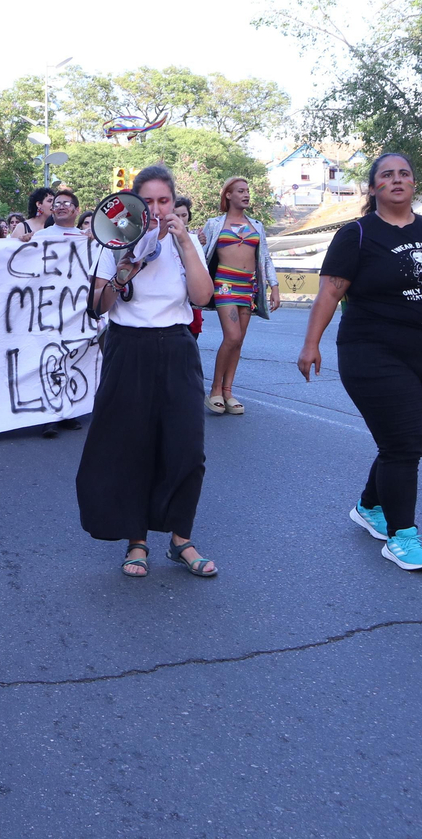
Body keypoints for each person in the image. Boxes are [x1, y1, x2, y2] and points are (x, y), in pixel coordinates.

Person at [296, 152, 422, 573]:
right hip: (374, 353)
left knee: (414, 444)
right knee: (402, 446)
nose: (397, 180)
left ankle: (369, 505)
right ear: (374, 187)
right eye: (387, 175)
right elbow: (330, 291)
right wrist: (312, 344)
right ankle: (402, 537)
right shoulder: (357, 234)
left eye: (404, 174)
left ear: (414, 184)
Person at [75, 165, 217, 579]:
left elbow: (202, 296)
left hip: (176, 347)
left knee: (187, 447)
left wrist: (184, 242)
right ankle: (136, 540)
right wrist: (128, 266)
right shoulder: (115, 242)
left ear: (175, 203)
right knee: (130, 446)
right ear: (136, 204)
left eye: (164, 201)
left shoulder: (184, 243)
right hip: (128, 347)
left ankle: (180, 539)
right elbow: (99, 306)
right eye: (149, 201)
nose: (157, 209)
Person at [198, 177, 279, 415]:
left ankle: (228, 390)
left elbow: (264, 257)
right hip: (224, 284)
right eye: (240, 191)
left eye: (247, 191)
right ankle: (214, 389)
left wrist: (273, 286)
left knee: (239, 340)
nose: (246, 195)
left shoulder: (257, 225)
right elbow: (200, 253)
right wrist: (196, 238)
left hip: (249, 286)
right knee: (232, 336)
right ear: (228, 195)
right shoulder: (214, 224)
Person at [172, 198, 204, 338]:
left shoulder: (194, 240)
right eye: (176, 215)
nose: (180, 220)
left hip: (189, 303)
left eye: (184, 215)